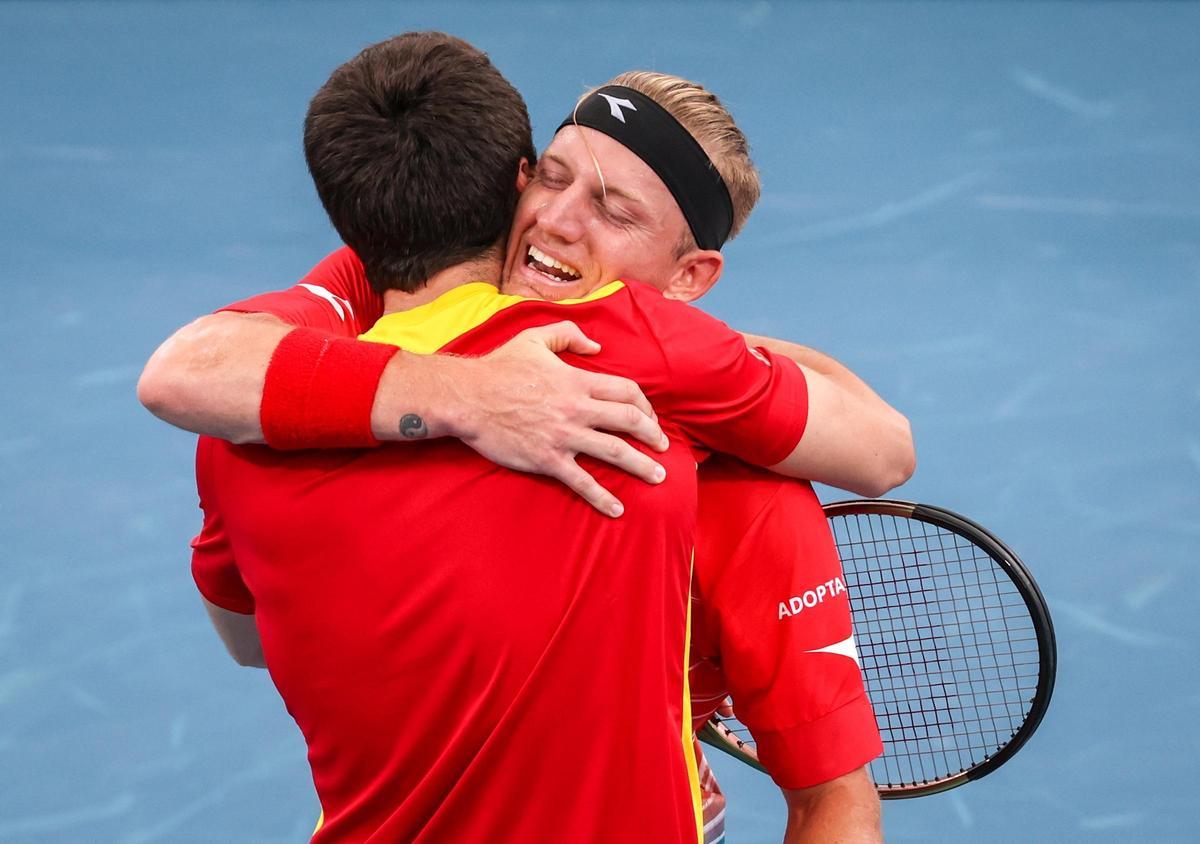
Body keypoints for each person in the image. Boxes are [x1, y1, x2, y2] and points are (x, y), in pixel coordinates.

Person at [142, 37, 912, 844]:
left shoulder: (260, 410)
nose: (558, 219)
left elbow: (251, 636)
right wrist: (486, 394)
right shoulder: (657, 367)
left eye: (615, 212)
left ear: (692, 279)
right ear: (512, 177)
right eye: (552, 175)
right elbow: (883, 451)